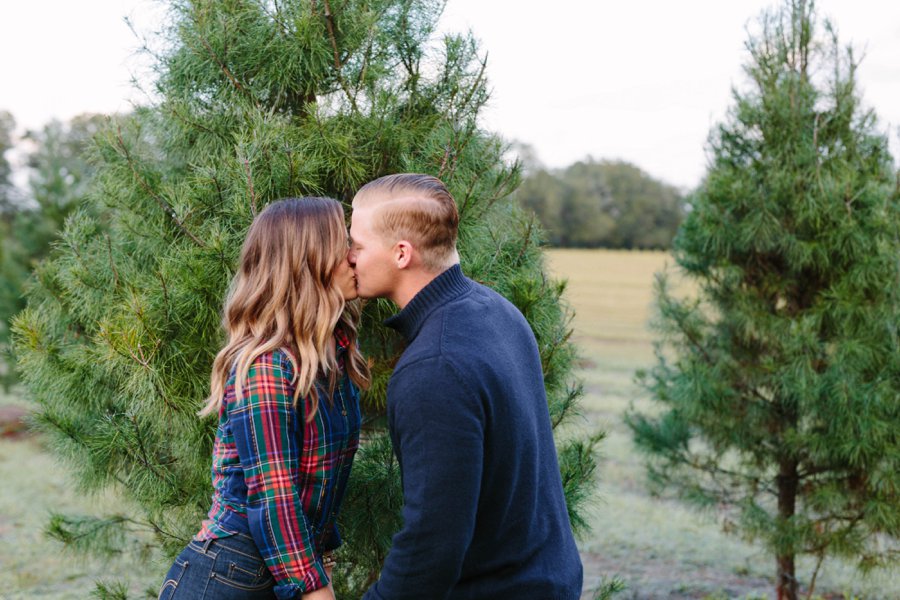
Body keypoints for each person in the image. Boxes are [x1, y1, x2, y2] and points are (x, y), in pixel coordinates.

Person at [348, 174, 583, 599]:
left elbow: (432, 546)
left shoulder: (433, 368)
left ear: (402, 253)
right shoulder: (498, 311)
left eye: (358, 246)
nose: (348, 258)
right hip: (548, 579)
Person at [158, 197, 370, 600]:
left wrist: (315, 557)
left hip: (279, 571)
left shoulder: (330, 353)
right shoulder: (267, 366)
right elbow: (274, 497)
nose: (354, 256)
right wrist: (314, 587)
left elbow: (317, 485)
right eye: (344, 245)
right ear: (310, 260)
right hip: (228, 578)